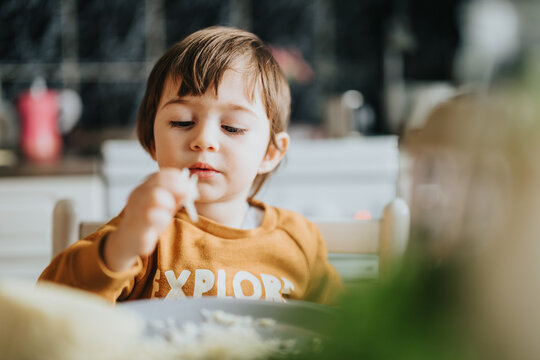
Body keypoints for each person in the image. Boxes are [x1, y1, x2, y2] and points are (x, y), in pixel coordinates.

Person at [39, 26, 342, 305]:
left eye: (233, 127)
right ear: (151, 142)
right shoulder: (143, 231)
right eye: (182, 122)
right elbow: (53, 307)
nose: (204, 140)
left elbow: (348, 329)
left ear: (271, 153)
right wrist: (121, 246)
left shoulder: (298, 239)